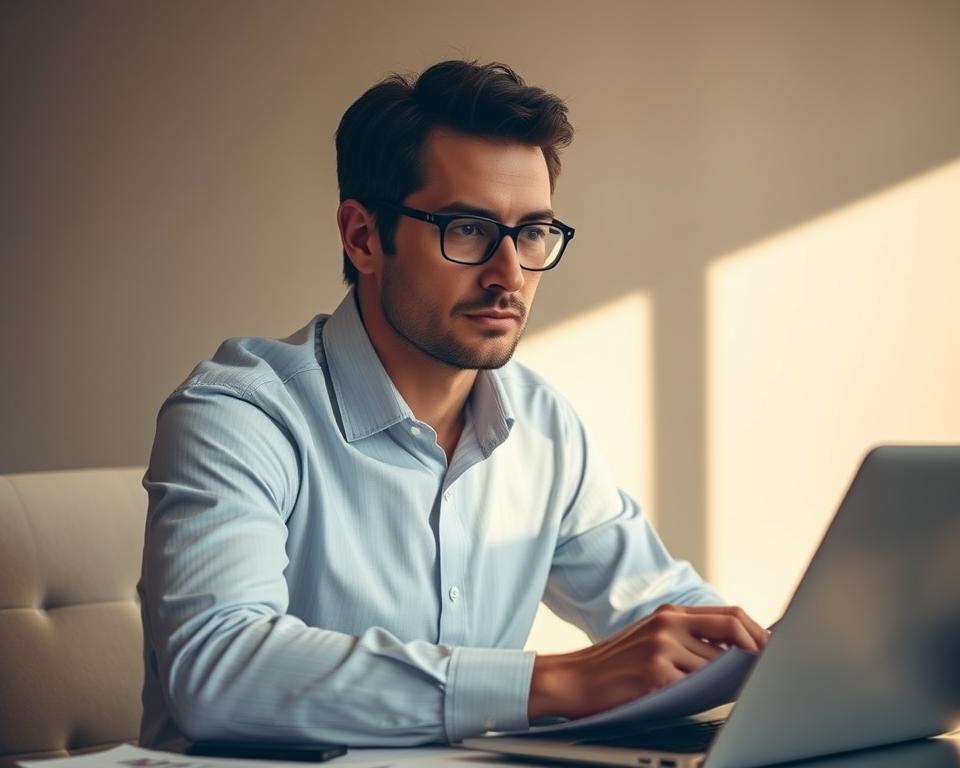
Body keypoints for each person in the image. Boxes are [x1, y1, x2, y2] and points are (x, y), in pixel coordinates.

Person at [138, 60, 768, 750]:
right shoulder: (239, 414)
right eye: (467, 229)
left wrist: (802, 658)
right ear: (363, 236)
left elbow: (657, 608)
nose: (509, 275)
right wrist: (551, 683)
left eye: (532, 233)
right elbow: (217, 669)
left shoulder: (541, 425)